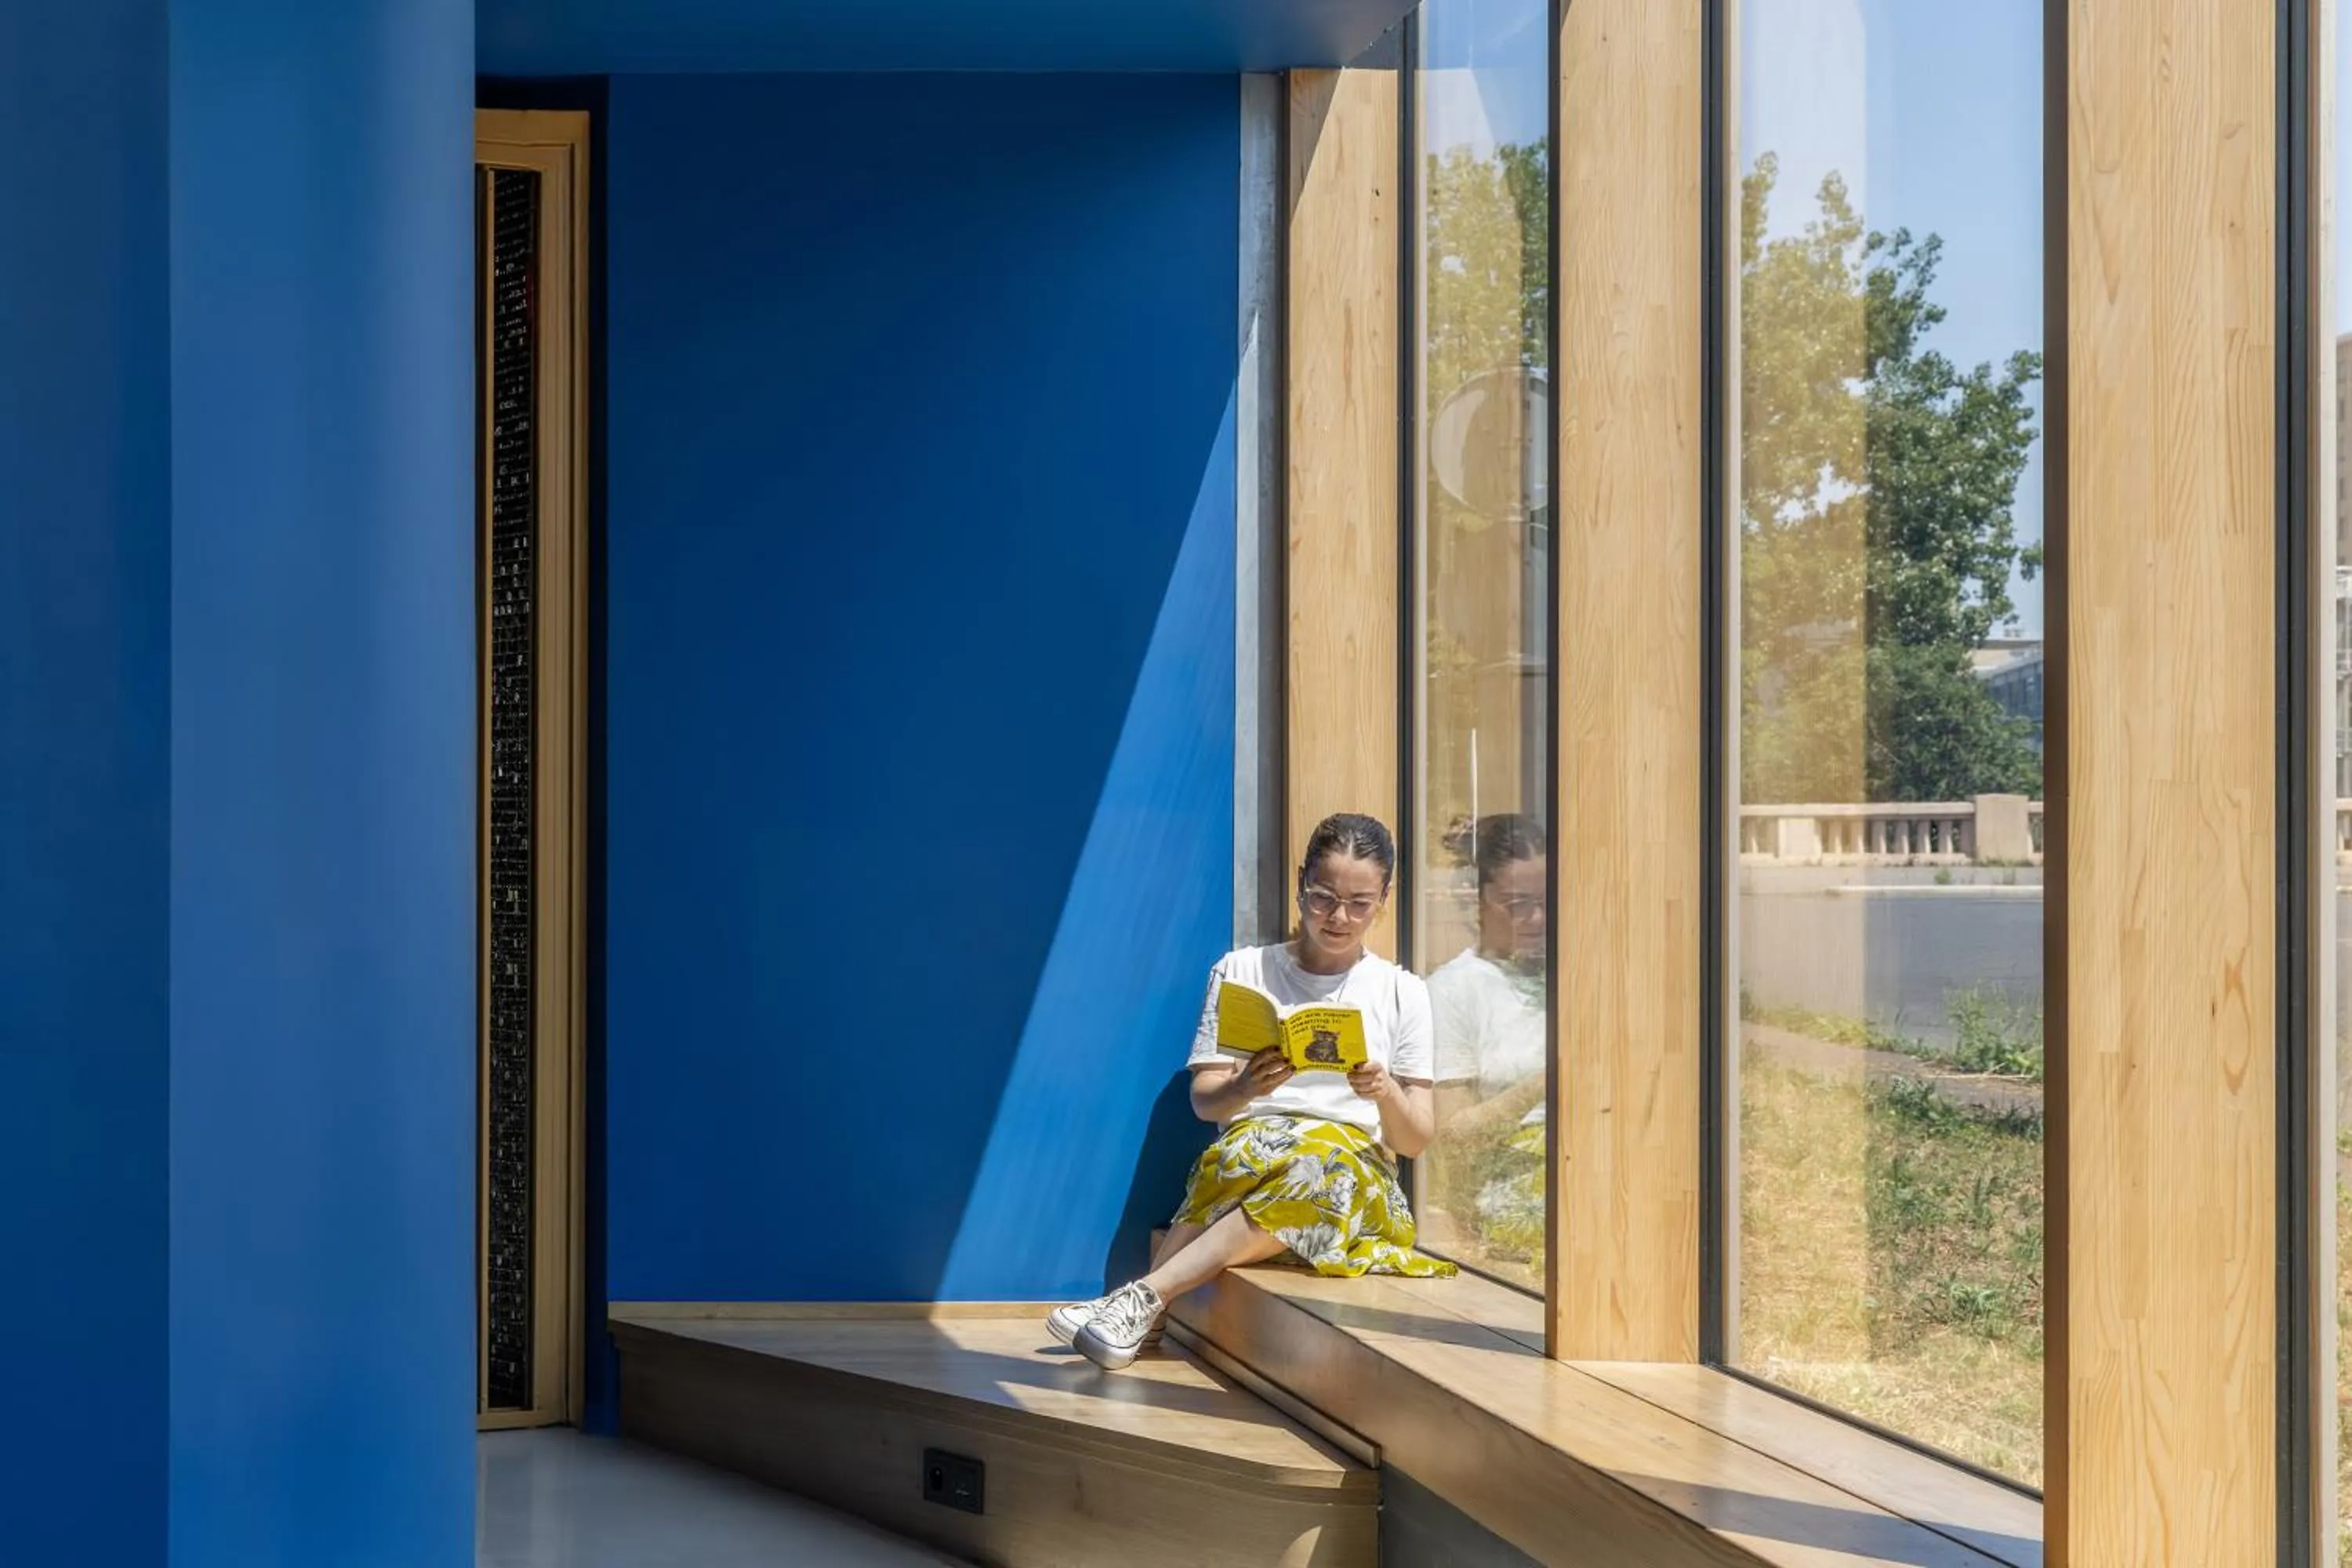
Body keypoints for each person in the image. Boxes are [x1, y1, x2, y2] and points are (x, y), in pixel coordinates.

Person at [1048, 812, 1456, 1370]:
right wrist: (1244, 1084)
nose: (1338, 917)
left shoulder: (1402, 991)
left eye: (1359, 903)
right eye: (1322, 897)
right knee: (1252, 1148)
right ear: (1299, 885)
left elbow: (1415, 1140)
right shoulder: (1242, 970)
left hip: (1353, 1180)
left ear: (1385, 898)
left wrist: (1384, 1092)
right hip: (1249, 1160)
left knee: (1314, 1165)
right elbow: (1205, 1100)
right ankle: (1143, 1309)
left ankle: (1143, 1298)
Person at [1423, 814, 1548, 1265]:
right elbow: (1452, 1137)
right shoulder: (1455, 991)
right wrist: (1541, 1085)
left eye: (1547, 901)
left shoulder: (1570, 970)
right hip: (1510, 1185)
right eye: (1517, 905)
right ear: (1475, 902)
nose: (1537, 919)